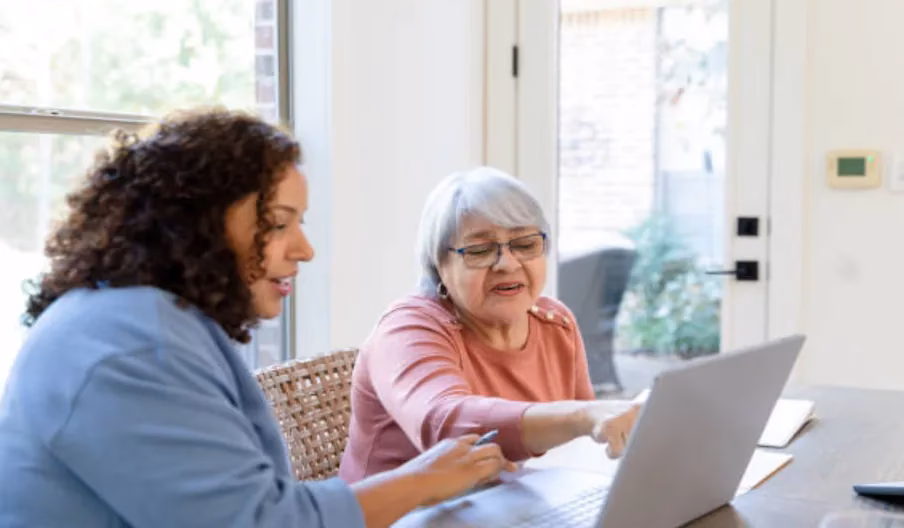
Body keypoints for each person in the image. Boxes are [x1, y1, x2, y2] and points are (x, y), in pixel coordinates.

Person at [0, 109, 513, 528]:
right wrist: (422, 480)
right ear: (193, 226)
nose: (305, 250)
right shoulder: (128, 346)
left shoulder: (145, 321)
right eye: (277, 223)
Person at [339, 166, 642, 483]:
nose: (508, 264)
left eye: (525, 244)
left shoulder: (556, 324)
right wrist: (581, 417)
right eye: (480, 250)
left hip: (516, 507)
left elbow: (585, 446)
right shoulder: (407, 328)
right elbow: (442, 425)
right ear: (438, 265)